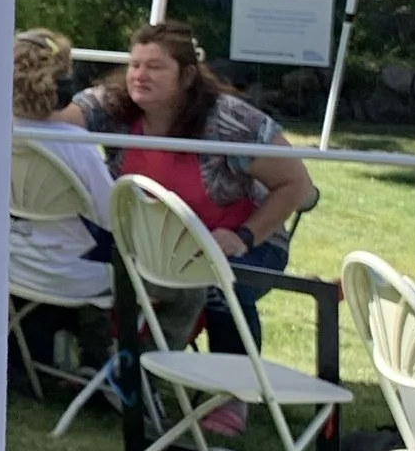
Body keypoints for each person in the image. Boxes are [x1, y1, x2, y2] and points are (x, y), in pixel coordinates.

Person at [65, 18, 316, 360]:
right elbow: (59, 121)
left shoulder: (229, 121)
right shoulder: (113, 106)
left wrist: (243, 236)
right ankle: (99, 368)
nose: (139, 75)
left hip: (244, 243)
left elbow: (297, 184)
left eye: (154, 67)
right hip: (153, 245)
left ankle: (232, 398)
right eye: (134, 65)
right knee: (73, 258)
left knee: (219, 289)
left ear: (186, 76)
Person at [8, 29, 114, 310]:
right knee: (182, 293)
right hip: (76, 278)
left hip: (12, 268)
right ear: (63, 85)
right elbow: (112, 219)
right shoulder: (78, 146)